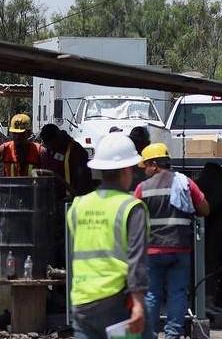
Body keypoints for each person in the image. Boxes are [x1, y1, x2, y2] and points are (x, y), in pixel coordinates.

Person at [67, 133, 148, 339]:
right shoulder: (132, 208)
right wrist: (138, 304)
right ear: (126, 170)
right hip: (116, 301)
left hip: (81, 299)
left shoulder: (78, 206)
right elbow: (137, 261)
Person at [135, 143, 210, 339]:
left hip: (151, 252)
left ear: (154, 164)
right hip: (180, 249)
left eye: (146, 167)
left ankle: (149, 335)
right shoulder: (184, 182)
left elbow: (133, 218)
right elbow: (205, 209)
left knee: (151, 295)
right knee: (177, 293)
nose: (145, 172)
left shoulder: (142, 189)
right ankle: (172, 334)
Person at [39, 124, 93, 197]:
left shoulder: (76, 151)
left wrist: (77, 198)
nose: (46, 145)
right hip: (50, 198)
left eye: (48, 143)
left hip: (70, 199)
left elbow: (83, 181)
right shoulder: (49, 150)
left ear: (56, 138)